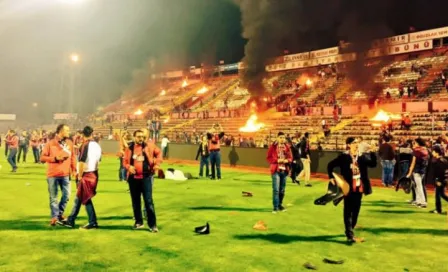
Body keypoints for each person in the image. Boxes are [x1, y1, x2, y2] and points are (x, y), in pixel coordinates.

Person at [327, 137, 377, 243]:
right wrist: (331, 177)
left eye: (357, 143)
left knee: (356, 211)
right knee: (348, 211)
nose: (357, 144)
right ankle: (350, 234)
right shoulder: (344, 157)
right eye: (354, 143)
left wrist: (373, 153)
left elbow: (373, 164)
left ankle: (350, 229)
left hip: (359, 188)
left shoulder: (361, 157)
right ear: (349, 145)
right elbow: (330, 165)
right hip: (348, 188)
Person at [60, 126, 102, 229]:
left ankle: (92, 222)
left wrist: (79, 176)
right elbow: (99, 160)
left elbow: (82, 161)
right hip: (94, 173)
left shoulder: (85, 145)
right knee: (79, 198)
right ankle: (71, 220)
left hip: (86, 174)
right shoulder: (97, 145)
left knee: (85, 198)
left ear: (83, 135)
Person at [123, 129, 162, 232]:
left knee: (148, 202)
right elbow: (125, 161)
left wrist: (157, 164)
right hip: (133, 179)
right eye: (139, 136)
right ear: (134, 137)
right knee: (135, 202)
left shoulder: (150, 146)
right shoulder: (129, 148)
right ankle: (138, 222)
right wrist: (128, 167)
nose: (141, 138)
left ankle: (152, 225)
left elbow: (159, 153)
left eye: (142, 136)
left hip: (146, 178)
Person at [40, 124, 77, 226]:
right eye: (67, 130)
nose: (68, 132)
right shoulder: (50, 144)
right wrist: (55, 159)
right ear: (60, 131)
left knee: (67, 195)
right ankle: (55, 217)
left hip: (66, 174)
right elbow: (42, 158)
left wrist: (74, 169)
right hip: (53, 174)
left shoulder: (69, 143)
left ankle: (59, 214)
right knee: (53, 197)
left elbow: (73, 157)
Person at [267, 132, 293, 213]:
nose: (282, 139)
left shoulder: (287, 147)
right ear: (277, 138)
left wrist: (286, 160)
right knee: (276, 190)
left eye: (283, 137)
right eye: (280, 137)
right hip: (276, 170)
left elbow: (290, 158)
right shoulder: (273, 147)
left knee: (282, 190)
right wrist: (277, 160)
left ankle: (280, 205)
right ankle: (275, 207)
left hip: (284, 170)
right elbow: (268, 158)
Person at [406, 138, 429, 208]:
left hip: (417, 171)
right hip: (423, 171)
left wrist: (409, 173)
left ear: (418, 143)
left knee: (419, 187)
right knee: (417, 186)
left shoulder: (416, 151)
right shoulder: (425, 150)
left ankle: (423, 202)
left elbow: (413, 163)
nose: (414, 144)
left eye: (415, 143)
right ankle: (418, 201)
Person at [430, 145, 448, 215]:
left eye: (433, 151)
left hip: (440, 180)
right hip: (443, 180)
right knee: (441, 194)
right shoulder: (444, 160)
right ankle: (438, 209)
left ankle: (438, 209)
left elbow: (440, 172)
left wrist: (438, 180)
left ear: (437, 152)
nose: (432, 153)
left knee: (439, 195)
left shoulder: (439, 161)